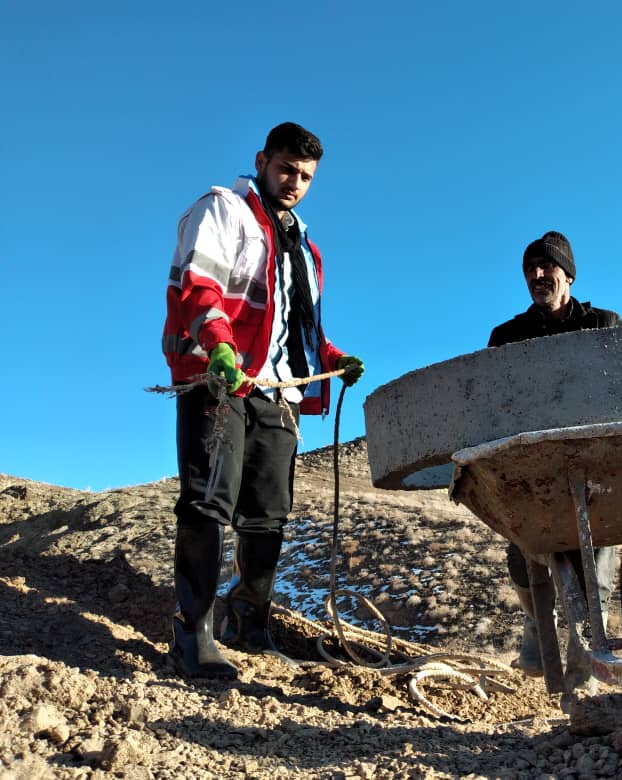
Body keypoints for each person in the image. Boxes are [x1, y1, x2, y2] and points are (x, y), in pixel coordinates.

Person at [161, 122, 364, 679]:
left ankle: (250, 623)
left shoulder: (305, 247)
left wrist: (333, 356)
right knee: (207, 499)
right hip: (218, 377)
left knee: (268, 513)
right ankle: (192, 631)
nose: (294, 182)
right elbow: (198, 285)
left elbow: (299, 325)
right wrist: (219, 348)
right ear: (262, 160)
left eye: (305, 176)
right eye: (285, 169)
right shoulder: (223, 210)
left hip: (278, 391)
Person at [488, 230, 622, 689]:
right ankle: (534, 624)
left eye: (546, 267)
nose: (537, 275)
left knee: (597, 565)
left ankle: (583, 672)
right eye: (530, 269)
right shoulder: (506, 337)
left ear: (568, 274)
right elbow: (496, 403)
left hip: (596, 466)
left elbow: (621, 391)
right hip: (535, 469)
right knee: (522, 552)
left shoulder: (604, 324)